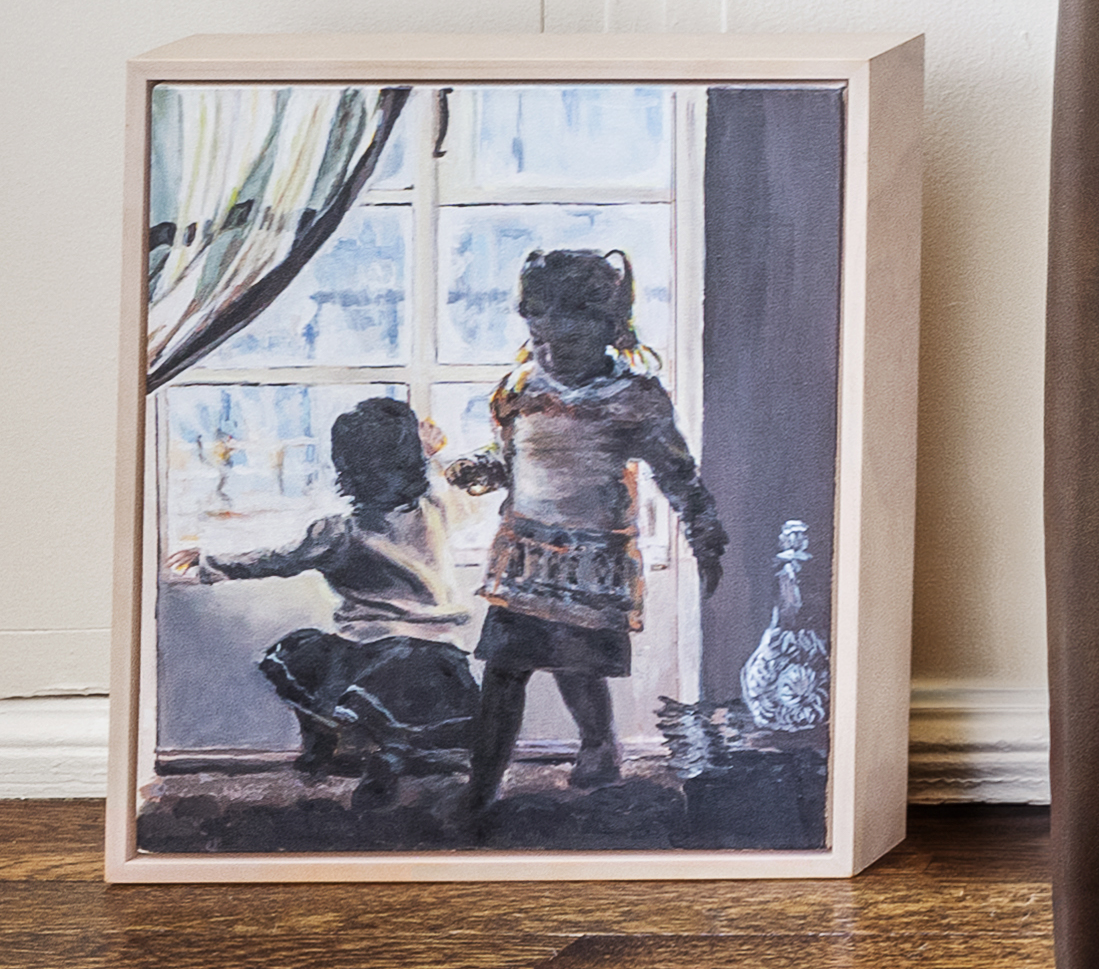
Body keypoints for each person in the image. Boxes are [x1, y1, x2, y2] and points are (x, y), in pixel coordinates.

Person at [449, 246, 718, 832]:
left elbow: (677, 473)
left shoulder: (636, 398)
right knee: (504, 669)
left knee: (577, 666)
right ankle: (482, 785)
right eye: (540, 338)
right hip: (526, 556)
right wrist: (484, 470)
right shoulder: (519, 387)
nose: (552, 352)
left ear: (608, 328)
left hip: (592, 561)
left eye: (567, 342)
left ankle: (599, 746)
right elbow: (513, 458)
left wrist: (704, 530)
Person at [176, 393, 480, 813]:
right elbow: (454, 485)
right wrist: (428, 454)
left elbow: (277, 560)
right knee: (399, 721)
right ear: (412, 461)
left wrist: (211, 562)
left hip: (366, 649)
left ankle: (323, 737)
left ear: (345, 471)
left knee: (298, 662)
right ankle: (386, 761)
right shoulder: (437, 508)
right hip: (435, 652)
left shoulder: (337, 532)